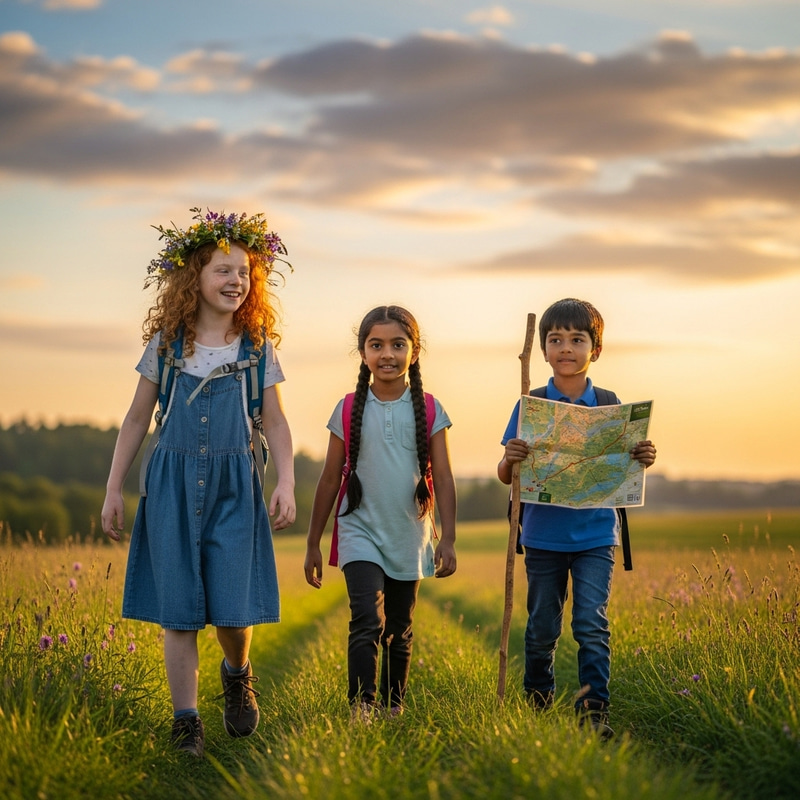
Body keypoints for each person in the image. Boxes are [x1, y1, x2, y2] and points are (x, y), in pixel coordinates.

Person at [101, 207, 296, 757]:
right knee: (180, 608)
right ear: (194, 277)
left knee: (234, 606)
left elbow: (275, 421)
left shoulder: (256, 348)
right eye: (223, 270)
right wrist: (115, 488)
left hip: (236, 484)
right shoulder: (166, 344)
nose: (236, 281)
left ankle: (237, 671)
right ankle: (185, 721)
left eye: (244, 273)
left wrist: (285, 482)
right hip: (171, 483)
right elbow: (138, 418)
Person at [497, 298, 656, 738]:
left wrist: (644, 456)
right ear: (544, 351)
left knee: (590, 623)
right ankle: (538, 701)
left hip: (595, 536)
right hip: (544, 537)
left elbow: (626, 466)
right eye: (556, 340)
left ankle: (594, 713)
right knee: (542, 627)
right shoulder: (531, 405)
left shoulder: (608, 405)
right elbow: (505, 474)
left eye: (577, 339)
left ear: (595, 349)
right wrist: (511, 458)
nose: (566, 347)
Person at [304, 305, 457, 721]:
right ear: (363, 352)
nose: (386, 353)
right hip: (360, 529)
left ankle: (393, 706)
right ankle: (363, 707)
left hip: (411, 533)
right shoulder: (348, 407)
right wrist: (313, 542)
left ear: (415, 350)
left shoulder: (429, 407)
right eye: (376, 345)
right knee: (366, 619)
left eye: (397, 344)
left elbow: (442, 477)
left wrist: (450, 539)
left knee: (399, 628)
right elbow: (328, 479)